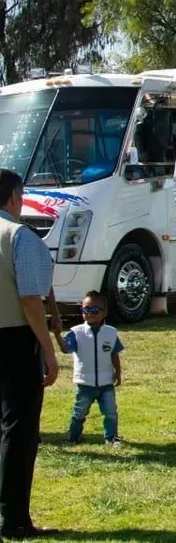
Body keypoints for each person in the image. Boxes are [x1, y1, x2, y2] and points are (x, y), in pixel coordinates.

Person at [0, 169, 58, 539]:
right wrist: (50, 351)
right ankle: (14, 517)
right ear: (13, 197)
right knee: (19, 429)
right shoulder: (19, 236)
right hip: (14, 339)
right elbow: (29, 300)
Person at [55, 291, 123, 445]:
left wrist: (118, 373)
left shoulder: (111, 333)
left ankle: (111, 437)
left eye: (94, 310)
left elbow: (114, 354)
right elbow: (66, 348)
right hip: (84, 382)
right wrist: (58, 336)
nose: (90, 314)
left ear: (104, 312)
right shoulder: (76, 332)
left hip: (106, 382)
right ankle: (74, 436)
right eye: (86, 310)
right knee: (79, 412)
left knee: (110, 412)